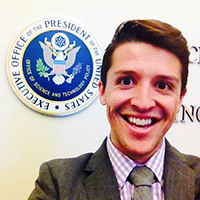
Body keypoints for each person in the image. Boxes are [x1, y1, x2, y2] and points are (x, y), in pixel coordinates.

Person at [28, 19, 200, 200]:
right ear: (102, 91)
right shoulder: (57, 183)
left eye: (163, 85)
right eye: (126, 81)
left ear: (180, 98)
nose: (143, 103)